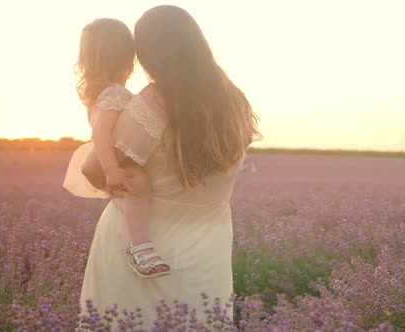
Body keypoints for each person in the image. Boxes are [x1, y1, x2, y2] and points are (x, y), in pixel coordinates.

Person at [79, 5, 260, 329]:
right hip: (208, 252)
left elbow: (92, 169)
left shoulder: (153, 102)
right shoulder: (235, 102)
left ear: (150, 56)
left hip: (139, 251)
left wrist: (125, 181)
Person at [63, 18, 170, 278]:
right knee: (139, 183)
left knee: (137, 189)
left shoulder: (105, 93)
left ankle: (140, 248)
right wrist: (111, 169)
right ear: (125, 58)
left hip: (113, 157)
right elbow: (100, 133)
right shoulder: (115, 94)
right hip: (115, 161)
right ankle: (141, 250)